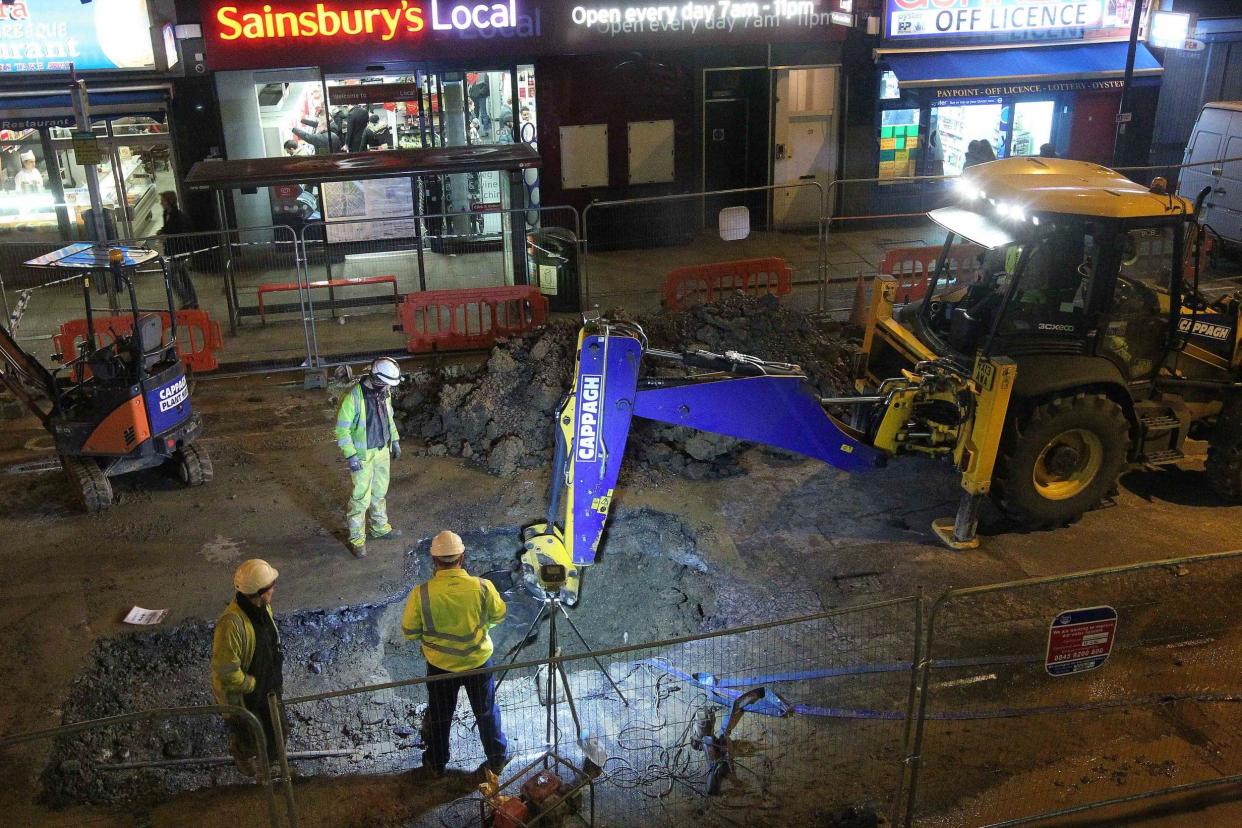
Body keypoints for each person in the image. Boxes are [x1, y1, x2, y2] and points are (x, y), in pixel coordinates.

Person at [402, 530, 509, 777]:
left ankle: (436, 764)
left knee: (440, 716)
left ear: (434, 560)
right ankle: (496, 759)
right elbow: (499, 616)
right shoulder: (483, 587)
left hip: (440, 666)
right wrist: (480, 627)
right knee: (486, 712)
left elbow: (409, 631)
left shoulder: (422, 593)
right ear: (462, 556)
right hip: (478, 661)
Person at [211, 559, 288, 777]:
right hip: (247, 696)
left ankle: (272, 770)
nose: (274, 588)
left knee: (279, 732)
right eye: (271, 585)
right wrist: (251, 685)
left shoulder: (263, 608)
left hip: (269, 687)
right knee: (252, 737)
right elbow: (225, 671)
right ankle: (242, 753)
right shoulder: (231, 624)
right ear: (261, 591)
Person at [334, 357, 403, 558]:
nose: (388, 388)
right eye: (387, 383)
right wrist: (351, 456)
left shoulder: (384, 392)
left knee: (379, 492)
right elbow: (342, 431)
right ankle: (357, 540)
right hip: (362, 456)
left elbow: (389, 418)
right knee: (360, 498)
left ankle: (380, 528)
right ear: (377, 378)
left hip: (382, 450)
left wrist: (395, 440)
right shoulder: (353, 398)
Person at [157, 191, 198, 309]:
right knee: (184, 276)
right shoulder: (166, 214)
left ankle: (186, 299)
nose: (161, 203)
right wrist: (162, 232)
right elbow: (168, 228)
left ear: (169, 202)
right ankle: (193, 300)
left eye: (163, 201)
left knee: (170, 275)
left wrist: (165, 235)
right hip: (173, 251)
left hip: (179, 251)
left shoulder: (178, 216)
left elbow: (177, 232)